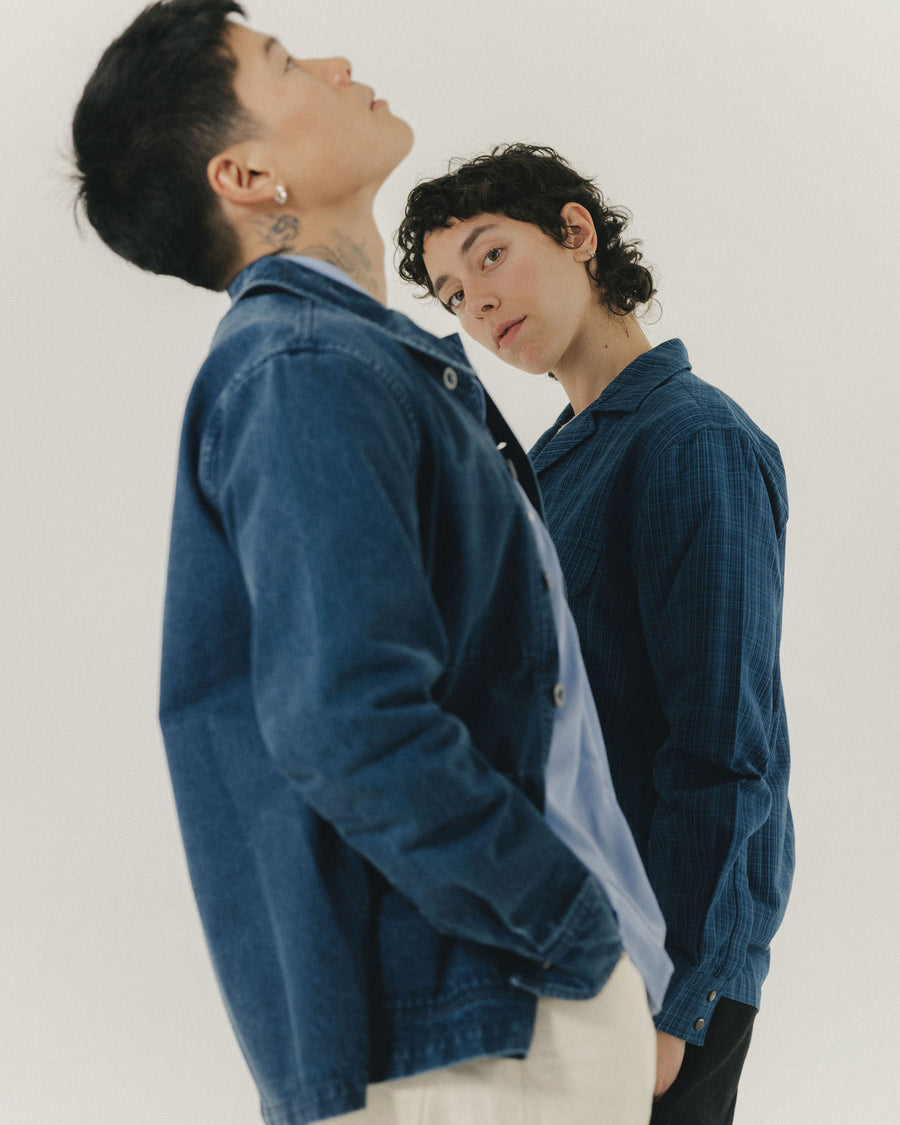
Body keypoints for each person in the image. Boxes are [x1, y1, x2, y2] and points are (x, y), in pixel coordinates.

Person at [72, 8, 674, 1124]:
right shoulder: (305, 366)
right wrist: (572, 927)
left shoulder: (360, 362)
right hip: (480, 1025)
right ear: (246, 176)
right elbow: (350, 720)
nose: (337, 64)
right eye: (285, 64)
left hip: (506, 1005)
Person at [398, 143, 794, 1125]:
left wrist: (680, 998)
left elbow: (725, 746)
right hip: (562, 949)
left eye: (492, 256)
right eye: (453, 295)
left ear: (577, 233)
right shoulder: (552, 461)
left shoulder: (692, 439)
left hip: (654, 974)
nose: (479, 305)